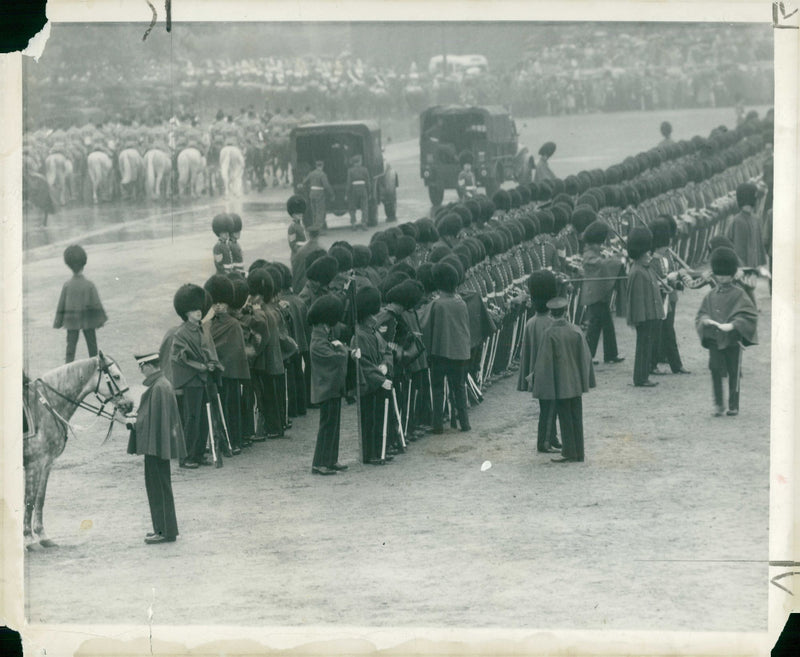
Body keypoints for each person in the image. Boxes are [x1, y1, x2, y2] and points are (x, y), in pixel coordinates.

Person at [126, 352, 186, 544]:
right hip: (160, 445)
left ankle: (163, 531)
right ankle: (164, 529)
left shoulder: (158, 387)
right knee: (161, 486)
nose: (141, 370)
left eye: (141, 366)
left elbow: (149, 421)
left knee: (157, 487)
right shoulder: (161, 384)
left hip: (156, 447)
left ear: (149, 366)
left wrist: (131, 422)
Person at [695, 247, 758, 417]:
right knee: (715, 368)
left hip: (732, 339)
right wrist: (705, 321)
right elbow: (702, 313)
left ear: (732, 274)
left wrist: (734, 325)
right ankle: (718, 404)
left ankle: (733, 405)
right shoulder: (710, 295)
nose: (722, 278)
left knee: (733, 371)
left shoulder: (740, 294)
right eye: (719, 274)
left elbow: (749, 314)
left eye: (725, 274)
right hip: (716, 339)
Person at [532, 297, 595, 463]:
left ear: (552, 314)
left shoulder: (549, 334)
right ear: (566, 312)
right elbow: (585, 357)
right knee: (576, 416)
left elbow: (544, 363)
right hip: (575, 381)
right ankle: (579, 452)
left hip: (559, 383)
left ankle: (569, 452)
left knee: (565, 417)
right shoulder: (576, 330)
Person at [170, 283, 222, 469]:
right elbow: (180, 359)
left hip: (204, 379)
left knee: (203, 418)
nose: (198, 312)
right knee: (192, 418)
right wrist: (201, 366)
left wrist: (213, 365)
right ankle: (187, 456)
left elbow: (209, 350)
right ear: (185, 312)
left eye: (198, 308)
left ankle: (199, 453)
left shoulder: (201, 329)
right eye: (193, 309)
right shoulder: (180, 334)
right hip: (191, 381)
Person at [420, 262, 471, 434]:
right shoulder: (461, 302)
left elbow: (426, 327)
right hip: (460, 353)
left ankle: (438, 425)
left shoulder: (436, 304)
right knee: (459, 388)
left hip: (440, 353)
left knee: (438, 389)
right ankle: (465, 423)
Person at [203, 275, 249, 455]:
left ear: (228, 303)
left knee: (231, 408)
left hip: (229, 375)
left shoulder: (234, 325)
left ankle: (234, 441)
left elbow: (235, 351)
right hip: (215, 374)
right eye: (215, 303)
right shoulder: (207, 325)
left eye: (222, 303)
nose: (218, 306)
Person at [517, 270, 562, 454]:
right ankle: (544, 442)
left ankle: (552, 437)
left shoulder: (532, 322)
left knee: (548, 408)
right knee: (550, 409)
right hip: (548, 374)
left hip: (538, 373)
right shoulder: (551, 322)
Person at [308, 295, 352, 475]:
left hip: (332, 388)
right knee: (327, 427)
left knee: (333, 426)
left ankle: (331, 459)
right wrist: (342, 348)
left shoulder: (324, 337)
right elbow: (339, 358)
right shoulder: (318, 342)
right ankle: (320, 463)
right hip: (326, 389)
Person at [352, 285, 395, 464]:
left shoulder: (372, 331)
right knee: (368, 420)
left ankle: (379, 449)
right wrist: (380, 379)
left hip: (378, 380)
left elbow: (386, 351)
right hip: (368, 385)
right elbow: (362, 364)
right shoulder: (359, 335)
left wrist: (385, 366)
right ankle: (369, 454)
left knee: (378, 419)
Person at [579, 220, 625, 365]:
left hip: (599, 294)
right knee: (595, 325)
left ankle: (607, 354)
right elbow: (601, 265)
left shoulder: (595, 250)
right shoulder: (589, 254)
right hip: (594, 294)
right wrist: (617, 261)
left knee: (603, 324)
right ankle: (588, 356)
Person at [649, 216, 690, 375]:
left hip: (667, 300)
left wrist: (678, 281)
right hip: (657, 301)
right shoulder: (652, 259)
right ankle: (652, 365)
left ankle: (676, 365)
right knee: (656, 333)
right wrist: (670, 279)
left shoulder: (665, 256)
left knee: (668, 331)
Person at [53, 244, 108, 363]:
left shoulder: (67, 285)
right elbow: (96, 303)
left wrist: (58, 322)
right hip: (88, 320)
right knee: (92, 347)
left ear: (68, 264)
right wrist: (100, 321)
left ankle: (67, 369)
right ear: (84, 263)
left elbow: (61, 305)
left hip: (71, 321)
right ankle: (95, 367)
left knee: (70, 348)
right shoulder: (89, 284)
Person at [625, 226, 665, 388]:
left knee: (646, 347)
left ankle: (643, 375)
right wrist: (640, 319)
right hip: (645, 317)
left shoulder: (645, 268)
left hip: (651, 315)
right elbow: (637, 298)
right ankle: (640, 378)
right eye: (646, 252)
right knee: (643, 347)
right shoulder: (637, 271)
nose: (649, 254)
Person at [727, 182, 768, 270]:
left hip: (751, 267)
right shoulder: (741, 221)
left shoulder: (747, 219)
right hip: (744, 269)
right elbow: (739, 250)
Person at [301, 161, 333, 233]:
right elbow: (326, 186)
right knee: (320, 211)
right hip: (320, 194)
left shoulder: (311, 173)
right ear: (322, 166)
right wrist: (331, 194)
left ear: (316, 166)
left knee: (314, 211)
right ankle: (319, 229)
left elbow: (304, 182)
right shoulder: (322, 174)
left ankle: (315, 227)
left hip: (312, 194)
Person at [346, 154, 371, 230]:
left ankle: (353, 224)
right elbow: (368, 182)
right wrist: (369, 192)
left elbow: (349, 182)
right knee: (364, 207)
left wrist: (347, 193)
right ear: (359, 161)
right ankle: (364, 223)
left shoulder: (350, 170)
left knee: (352, 207)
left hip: (354, 189)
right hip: (363, 189)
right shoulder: (365, 169)